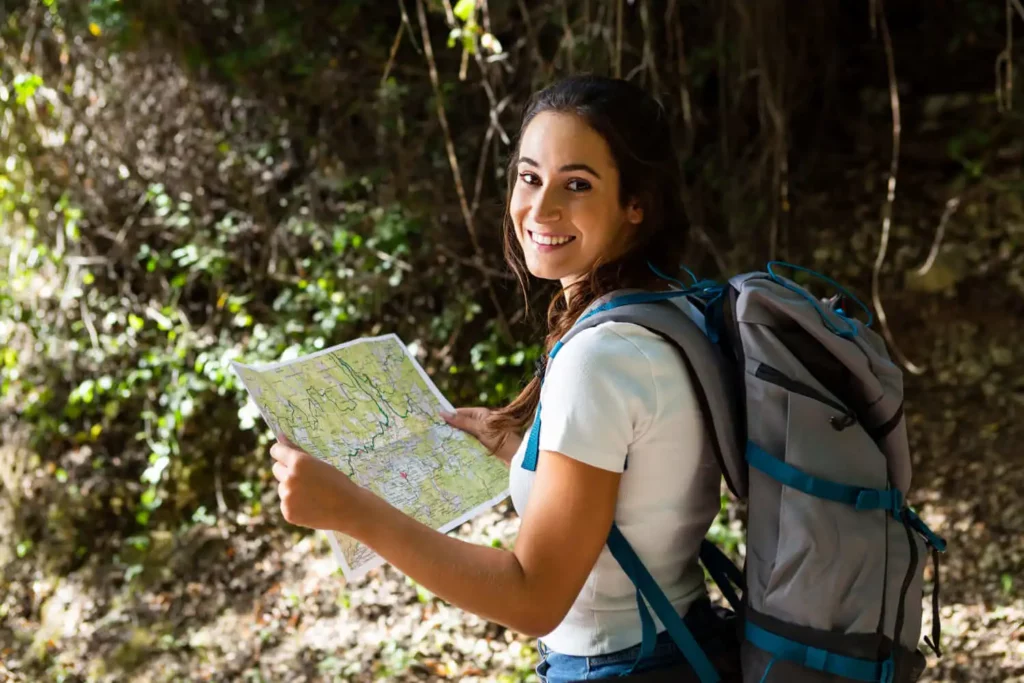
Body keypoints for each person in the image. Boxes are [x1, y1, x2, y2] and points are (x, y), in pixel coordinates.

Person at [268, 75, 735, 682]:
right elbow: (640, 491)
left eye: (577, 185)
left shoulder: (603, 359)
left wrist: (353, 511)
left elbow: (533, 597)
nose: (540, 210)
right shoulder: (668, 311)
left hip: (622, 666)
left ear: (635, 204)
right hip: (676, 644)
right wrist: (523, 451)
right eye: (529, 176)